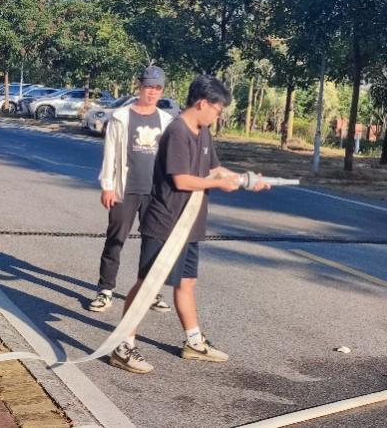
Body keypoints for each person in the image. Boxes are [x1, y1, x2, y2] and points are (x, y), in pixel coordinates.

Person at [109, 75, 270, 374]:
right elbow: (181, 180)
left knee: (186, 282)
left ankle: (193, 342)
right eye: (217, 110)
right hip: (166, 222)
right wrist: (218, 184)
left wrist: (245, 179)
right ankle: (123, 346)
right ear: (202, 103)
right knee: (148, 284)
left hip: (190, 222)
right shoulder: (177, 132)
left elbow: (215, 169)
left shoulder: (203, 131)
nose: (218, 116)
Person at [89, 66, 174, 313]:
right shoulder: (121, 117)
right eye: (148, 87)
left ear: (162, 91)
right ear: (139, 86)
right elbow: (110, 153)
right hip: (124, 189)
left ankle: (149, 290)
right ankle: (105, 290)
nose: (152, 92)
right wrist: (107, 186)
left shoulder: (166, 120)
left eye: (157, 88)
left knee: (153, 243)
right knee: (115, 239)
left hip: (155, 193)